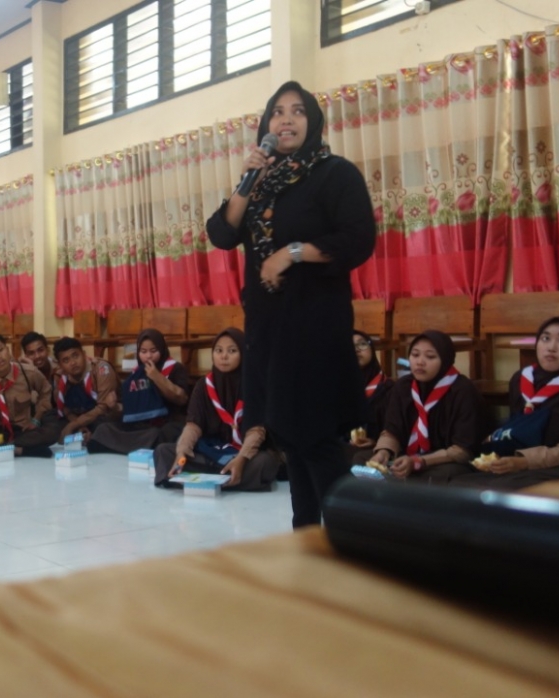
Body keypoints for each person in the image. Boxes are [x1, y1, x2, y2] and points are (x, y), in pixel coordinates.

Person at [205, 80, 377, 527]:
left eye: (297, 111)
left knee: (316, 437)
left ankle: (347, 534)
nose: (286, 120)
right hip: (269, 326)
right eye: (277, 112)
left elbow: (358, 240)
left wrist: (293, 252)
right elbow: (222, 234)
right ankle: (306, 532)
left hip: (315, 324)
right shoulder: (262, 182)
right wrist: (247, 182)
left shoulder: (335, 173)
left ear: (312, 122)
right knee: (290, 437)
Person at [451, 317, 559, 490]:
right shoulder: (521, 380)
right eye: (545, 338)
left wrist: (523, 462)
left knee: (507, 488)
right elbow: (517, 430)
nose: (551, 347)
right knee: (462, 483)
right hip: (524, 457)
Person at [153, 329, 282, 491]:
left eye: (232, 351)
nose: (224, 356)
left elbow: (256, 431)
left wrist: (241, 459)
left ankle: (207, 478)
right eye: (218, 350)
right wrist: (182, 452)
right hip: (211, 451)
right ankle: (228, 479)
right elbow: (193, 425)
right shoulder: (203, 385)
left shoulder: (253, 386)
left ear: (243, 354)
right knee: (163, 452)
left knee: (265, 463)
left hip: (243, 452)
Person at [369, 331, 482, 484]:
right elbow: (392, 430)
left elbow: (463, 451)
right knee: (362, 459)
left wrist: (419, 461)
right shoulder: (403, 386)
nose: (420, 362)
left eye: (430, 357)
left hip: (444, 461)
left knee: (438, 476)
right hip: (408, 457)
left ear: (445, 359)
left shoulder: (463, 390)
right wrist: (383, 451)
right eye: (415, 355)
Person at [90, 328, 193, 454]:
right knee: (102, 426)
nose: (148, 356)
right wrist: (115, 406)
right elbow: (130, 409)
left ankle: (125, 447)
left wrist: (157, 377)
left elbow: (181, 398)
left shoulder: (176, 368)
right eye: (143, 351)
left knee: (166, 433)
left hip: (164, 422)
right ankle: (135, 446)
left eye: (153, 351)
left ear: (162, 349)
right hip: (139, 425)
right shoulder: (136, 373)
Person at [48, 338, 120, 449]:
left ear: (84, 354)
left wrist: (73, 425)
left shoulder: (101, 369)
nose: (73, 363)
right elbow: (64, 408)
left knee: (103, 428)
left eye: (75, 356)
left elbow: (103, 407)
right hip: (77, 416)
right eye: (66, 360)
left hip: (101, 416)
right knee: (50, 420)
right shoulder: (59, 376)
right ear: (60, 364)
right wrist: (78, 425)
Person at [346, 330, 395, 464]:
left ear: (372, 349)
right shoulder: (338, 386)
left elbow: (395, 427)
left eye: (362, 344)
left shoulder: (388, 388)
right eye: (350, 346)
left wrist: (375, 442)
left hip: (378, 449)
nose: (356, 350)